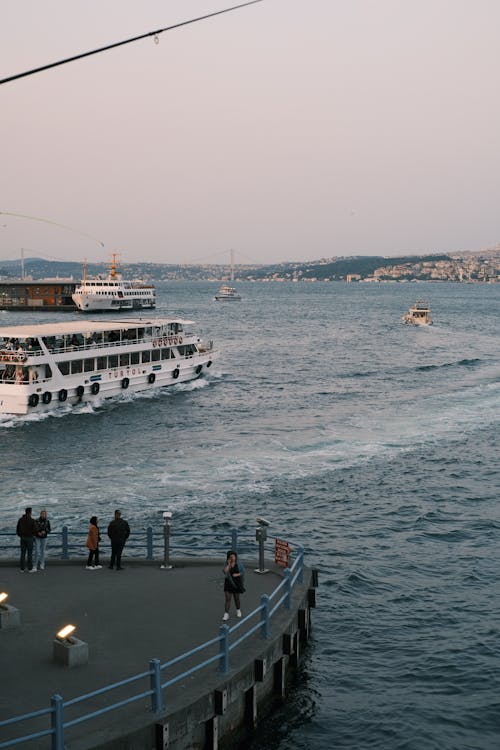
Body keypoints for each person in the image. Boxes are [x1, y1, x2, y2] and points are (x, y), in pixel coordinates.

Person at [222, 550, 245, 621]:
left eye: (233, 556)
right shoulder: (226, 563)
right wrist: (229, 564)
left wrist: (237, 574)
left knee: (236, 598)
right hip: (228, 582)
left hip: (236, 583)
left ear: (235, 557)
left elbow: (243, 571)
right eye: (230, 557)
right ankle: (226, 614)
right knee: (227, 599)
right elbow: (224, 572)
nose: (232, 558)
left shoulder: (239, 563)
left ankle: (238, 610)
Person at [16, 507, 37, 573]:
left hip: (22, 538)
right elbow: (35, 530)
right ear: (30, 512)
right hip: (30, 538)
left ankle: (22, 569)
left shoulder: (20, 519)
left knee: (23, 553)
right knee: (29, 554)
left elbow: (17, 529)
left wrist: (21, 536)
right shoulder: (32, 520)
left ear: (25, 512)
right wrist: (32, 535)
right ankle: (30, 568)